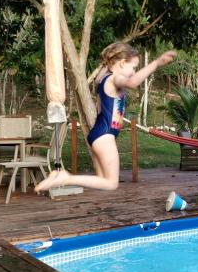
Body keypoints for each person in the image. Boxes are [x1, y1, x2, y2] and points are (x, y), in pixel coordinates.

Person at [35, 42, 177, 192]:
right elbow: (133, 82)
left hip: (98, 134)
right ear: (122, 63)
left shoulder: (103, 77)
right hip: (105, 136)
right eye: (133, 67)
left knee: (103, 182)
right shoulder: (115, 79)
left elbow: (108, 64)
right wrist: (156, 63)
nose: (134, 72)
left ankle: (64, 178)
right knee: (111, 183)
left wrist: (111, 55)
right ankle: (64, 178)